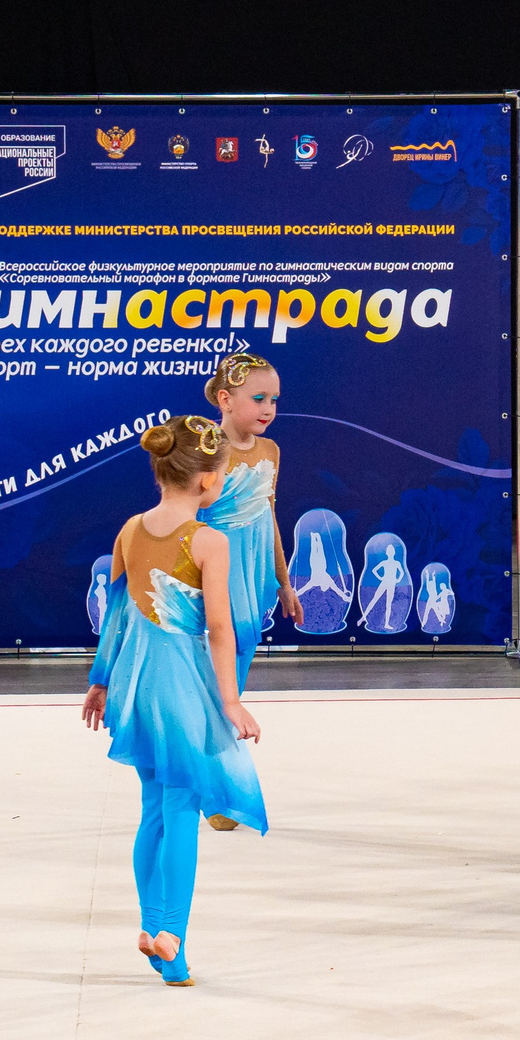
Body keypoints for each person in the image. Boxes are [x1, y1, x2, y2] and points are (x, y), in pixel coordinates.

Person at [79, 417, 265, 988]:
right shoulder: (210, 542)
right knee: (184, 808)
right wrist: (231, 701)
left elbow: (113, 614)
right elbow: (219, 629)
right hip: (184, 691)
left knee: (154, 809)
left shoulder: (130, 530)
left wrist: (101, 680)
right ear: (209, 481)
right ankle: (172, 938)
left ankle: (154, 929)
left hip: (138, 688)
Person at [198, 351, 299, 831]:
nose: (268, 408)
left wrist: (282, 580)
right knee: (218, 680)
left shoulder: (271, 451)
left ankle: (215, 780)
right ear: (225, 398)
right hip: (214, 571)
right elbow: (185, 517)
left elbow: (269, 516)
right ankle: (219, 788)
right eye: (258, 398)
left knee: (232, 677)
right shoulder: (204, 450)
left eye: (274, 400)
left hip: (254, 574)